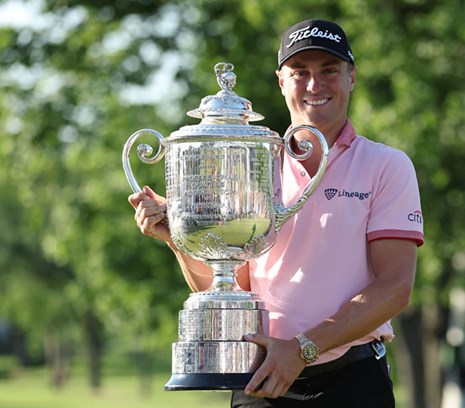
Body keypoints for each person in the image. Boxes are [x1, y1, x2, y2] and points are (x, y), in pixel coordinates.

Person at [129, 18, 424, 408]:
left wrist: (302, 349)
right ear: (281, 81)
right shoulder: (250, 166)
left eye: (329, 70)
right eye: (300, 72)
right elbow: (229, 287)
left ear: (352, 77)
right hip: (262, 378)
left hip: (352, 381)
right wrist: (178, 238)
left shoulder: (386, 165)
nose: (315, 85)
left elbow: (394, 288)